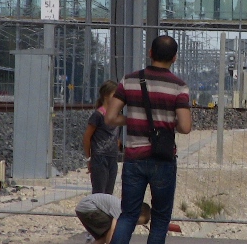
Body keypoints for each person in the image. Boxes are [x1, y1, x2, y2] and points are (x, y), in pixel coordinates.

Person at [105, 35, 192, 244]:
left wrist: (133, 119)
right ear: (175, 58)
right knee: (160, 219)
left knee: (128, 215)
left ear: (150, 53)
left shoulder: (130, 80)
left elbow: (110, 117)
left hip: (134, 158)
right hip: (163, 159)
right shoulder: (179, 87)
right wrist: (169, 123)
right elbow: (186, 127)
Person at [83, 80, 121, 194]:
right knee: (99, 193)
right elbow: (87, 137)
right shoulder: (97, 115)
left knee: (108, 193)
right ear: (106, 96)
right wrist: (89, 157)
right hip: (100, 157)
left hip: (112, 157)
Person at [75, 193, 150, 244]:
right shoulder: (120, 209)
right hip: (88, 208)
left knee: (104, 236)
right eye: (136, 221)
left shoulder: (123, 208)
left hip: (85, 209)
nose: (134, 223)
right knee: (112, 230)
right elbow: (113, 229)